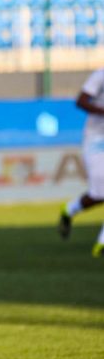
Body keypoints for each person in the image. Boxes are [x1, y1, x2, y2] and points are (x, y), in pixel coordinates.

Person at [59, 68, 104, 257]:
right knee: (99, 194)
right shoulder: (100, 75)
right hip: (96, 140)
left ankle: (102, 245)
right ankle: (69, 209)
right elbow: (81, 100)